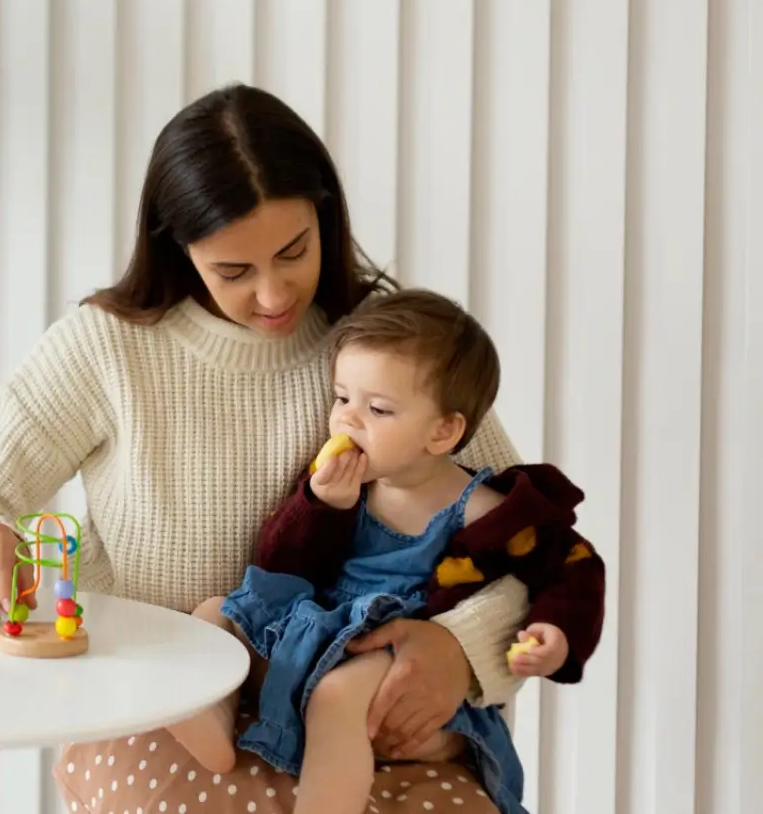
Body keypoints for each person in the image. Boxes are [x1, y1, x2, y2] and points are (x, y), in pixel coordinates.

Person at [0, 82, 554, 814]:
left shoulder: (391, 351)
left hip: (355, 709)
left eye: (294, 252)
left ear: (325, 219)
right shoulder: (107, 349)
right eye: (234, 272)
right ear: (179, 250)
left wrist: (460, 653)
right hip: (167, 713)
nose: (275, 296)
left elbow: (532, 545)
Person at [164, 288, 605, 814]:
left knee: (338, 694)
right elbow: (280, 566)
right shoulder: (347, 483)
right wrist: (322, 505)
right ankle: (209, 721)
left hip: (388, 652)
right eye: (342, 398)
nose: (348, 420)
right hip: (317, 632)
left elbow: (572, 567)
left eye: (377, 409)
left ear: (443, 431)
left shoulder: (487, 510)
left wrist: (555, 632)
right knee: (215, 614)